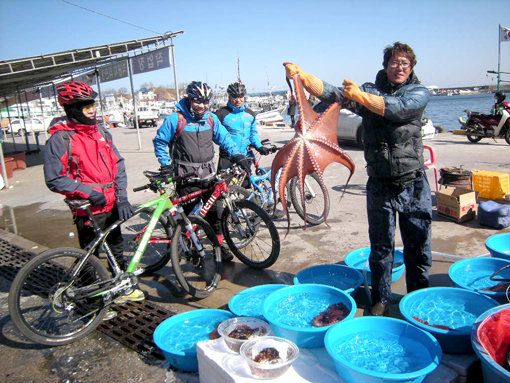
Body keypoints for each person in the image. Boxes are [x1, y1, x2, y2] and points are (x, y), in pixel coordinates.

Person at [284, 41, 432, 316]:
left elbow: (398, 108)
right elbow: (336, 94)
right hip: (379, 183)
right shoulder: (368, 89)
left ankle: (418, 299)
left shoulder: (419, 92)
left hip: (413, 182)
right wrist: (304, 79)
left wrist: (362, 99)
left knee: (418, 247)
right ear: (385, 65)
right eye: (394, 62)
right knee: (380, 248)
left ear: (411, 68)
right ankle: (381, 298)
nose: (399, 67)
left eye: (404, 63)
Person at [44, 81, 143, 315]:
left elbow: (118, 165)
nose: (91, 110)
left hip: (111, 204)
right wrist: (88, 192)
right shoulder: (61, 139)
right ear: (71, 109)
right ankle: (92, 304)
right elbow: (54, 178)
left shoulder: (102, 133)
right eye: (84, 106)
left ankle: (120, 290)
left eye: (92, 104)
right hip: (87, 208)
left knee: (116, 249)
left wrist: (121, 198)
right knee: (90, 258)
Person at [153, 81, 251, 261]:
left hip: (208, 174)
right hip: (185, 176)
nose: (202, 105)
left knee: (216, 213)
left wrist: (238, 156)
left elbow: (225, 138)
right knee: (190, 217)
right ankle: (193, 248)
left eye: (206, 101)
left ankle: (218, 246)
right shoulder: (176, 119)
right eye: (198, 101)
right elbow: (160, 142)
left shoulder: (210, 118)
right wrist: (166, 165)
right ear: (189, 100)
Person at [215, 82, 269, 188]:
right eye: (234, 96)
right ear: (229, 97)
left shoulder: (250, 114)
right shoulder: (221, 114)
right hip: (227, 158)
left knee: (245, 188)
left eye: (240, 96)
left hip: (244, 157)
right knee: (222, 190)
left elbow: (253, 134)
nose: (238, 99)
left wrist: (259, 146)